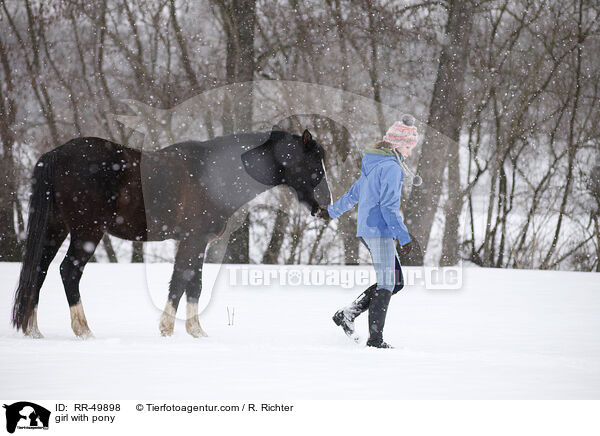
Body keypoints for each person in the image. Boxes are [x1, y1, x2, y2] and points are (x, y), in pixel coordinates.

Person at [317, 115, 419, 348]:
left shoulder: (374, 164)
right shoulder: (391, 168)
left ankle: (348, 315)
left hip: (368, 229)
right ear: (397, 145)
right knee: (386, 284)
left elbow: (354, 193)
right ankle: (375, 340)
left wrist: (332, 212)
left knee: (396, 282)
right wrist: (403, 237)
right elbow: (389, 207)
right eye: (409, 147)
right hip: (379, 230)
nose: (410, 153)